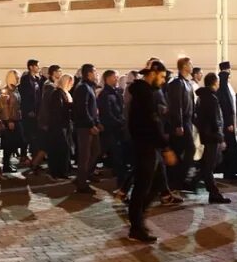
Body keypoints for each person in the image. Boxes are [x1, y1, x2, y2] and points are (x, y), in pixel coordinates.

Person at [127, 60, 170, 243]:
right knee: (142, 187)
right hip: (146, 146)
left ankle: (138, 219)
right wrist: (165, 147)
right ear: (152, 74)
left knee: (157, 184)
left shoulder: (147, 92)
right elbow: (151, 122)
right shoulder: (144, 94)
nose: (162, 81)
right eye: (161, 77)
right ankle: (136, 226)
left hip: (150, 146)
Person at [193, 72, 231, 204]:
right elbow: (216, 120)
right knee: (209, 166)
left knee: (209, 163)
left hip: (206, 135)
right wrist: (220, 137)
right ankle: (214, 194)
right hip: (212, 137)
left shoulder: (202, 97)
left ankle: (195, 181)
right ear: (215, 82)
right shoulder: (211, 98)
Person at [165, 57, 195, 191]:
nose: (192, 66)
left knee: (181, 151)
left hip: (187, 122)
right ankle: (175, 180)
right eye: (190, 64)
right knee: (185, 150)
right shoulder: (176, 83)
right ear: (184, 66)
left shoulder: (187, 83)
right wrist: (179, 124)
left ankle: (178, 179)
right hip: (181, 124)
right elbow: (176, 105)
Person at [98, 69, 129, 198]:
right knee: (115, 154)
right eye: (114, 77)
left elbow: (120, 109)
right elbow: (107, 113)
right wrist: (119, 122)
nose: (117, 79)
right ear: (107, 79)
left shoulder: (116, 92)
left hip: (118, 128)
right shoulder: (105, 94)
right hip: (111, 129)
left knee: (118, 154)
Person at [27, 64, 63, 174]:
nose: (60, 74)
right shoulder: (49, 86)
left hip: (47, 120)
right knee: (45, 145)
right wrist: (46, 122)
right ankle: (34, 164)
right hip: (46, 121)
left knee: (45, 145)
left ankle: (35, 163)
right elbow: (46, 105)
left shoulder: (51, 85)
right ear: (53, 73)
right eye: (59, 71)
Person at [72, 64, 102, 194]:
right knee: (85, 156)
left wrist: (97, 122)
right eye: (95, 72)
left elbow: (92, 108)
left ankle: (84, 175)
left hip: (91, 125)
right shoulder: (83, 88)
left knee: (96, 151)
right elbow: (83, 109)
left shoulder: (89, 87)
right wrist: (91, 125)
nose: (96, 74)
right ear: (89, 73)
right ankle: (82, 184)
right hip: (85, 127)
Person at [215, 61, 237, 181]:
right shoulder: (223, 89)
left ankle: (231, 170)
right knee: (229, 147)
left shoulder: (228, 87)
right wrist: (229, 123)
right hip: (227, 123)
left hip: (231, 120)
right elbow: (225, 106)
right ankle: (229, 171)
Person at [46, 74, 75, 180]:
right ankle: (58, 172)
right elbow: (57, 110)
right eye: (70, 83)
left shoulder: (65, 93)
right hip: (59, 126)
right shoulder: (57, 93)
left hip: (65, 125)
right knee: (60, 149)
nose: (72, 85)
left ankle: (64, 171)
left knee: (64, 149)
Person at [18, 60, 44, 163]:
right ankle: (25, 155)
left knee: (34, 135)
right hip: (29, 112)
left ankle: (34, 157)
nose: (38, 68)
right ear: (31, 67)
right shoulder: (26, 79)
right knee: (29, 134)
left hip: (37, 111)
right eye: (37, 66)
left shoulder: (37, 79)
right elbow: (25, 96)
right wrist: (29, 110)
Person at [0, 70, 24, 173]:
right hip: (10, 120)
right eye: (16, 77)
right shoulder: (6, 90)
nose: (18, 78)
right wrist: (9, 120)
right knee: (9, 144)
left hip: (16, 119)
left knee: (14, 143)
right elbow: (4, 107)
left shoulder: (15, 89)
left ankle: (7, 163)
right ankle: (5, 165)